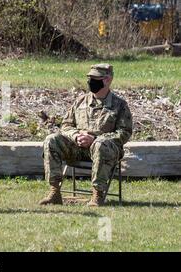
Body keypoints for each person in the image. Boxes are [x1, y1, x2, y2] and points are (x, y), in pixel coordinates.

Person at [39, 64, 133, 207]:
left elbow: (124, 133)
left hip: (105, 150)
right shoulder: (80, 101)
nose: (90, 82)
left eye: (95, 78)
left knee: (100, 145)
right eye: (89, 78)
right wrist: (76, 136)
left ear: (107, 80)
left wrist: (95, 139)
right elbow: (66, 125)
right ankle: (54, 192)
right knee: (51, 140)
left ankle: (97, 195)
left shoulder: (119, 105)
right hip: (77, 147)